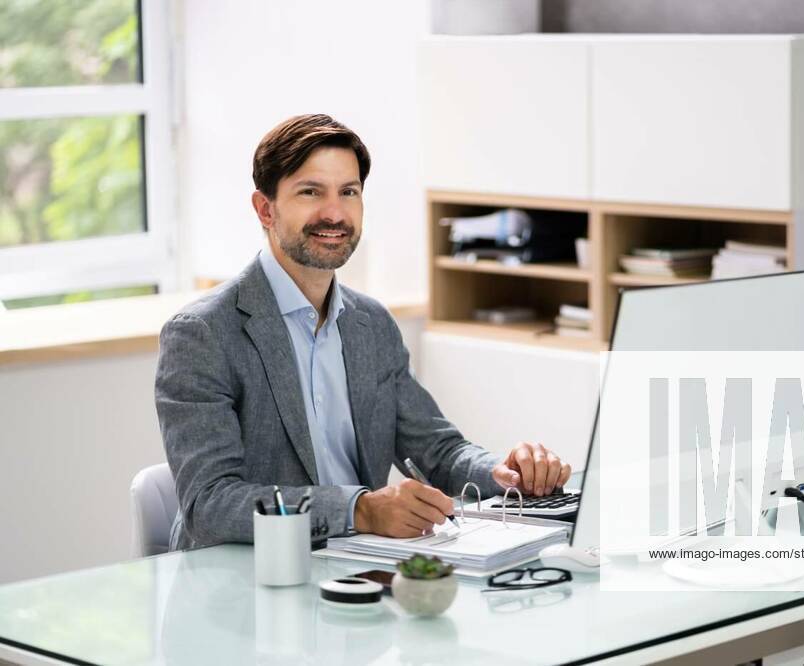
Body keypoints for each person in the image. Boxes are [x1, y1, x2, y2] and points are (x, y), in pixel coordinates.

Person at [155, 114, 571, 550]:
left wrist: (502, 473)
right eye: (310, 192)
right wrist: (358, 510)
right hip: (243, 585)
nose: (334, 213)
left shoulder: (370, 324)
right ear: (265, 208)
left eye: (348, 192)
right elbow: (211, 504)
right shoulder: (202, 334)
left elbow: (438, 450)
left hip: (355, 572)